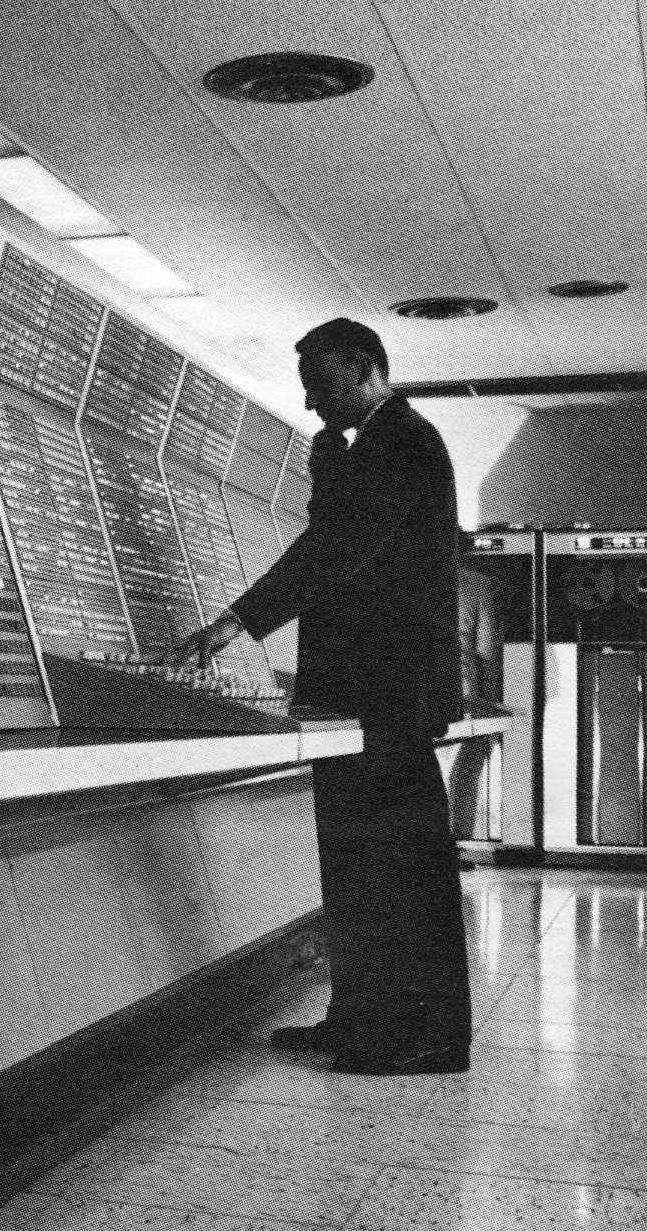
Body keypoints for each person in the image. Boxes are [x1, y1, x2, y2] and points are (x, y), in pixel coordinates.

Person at [170, 318, 472, 1074]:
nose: (309, 404)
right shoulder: (369, 446)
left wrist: (234, 622)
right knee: (355, 868)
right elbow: (338, 539)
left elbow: (336, 547)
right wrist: (330, 464)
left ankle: (425, 1037)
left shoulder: (405, 441)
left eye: (319, 384)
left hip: (390, 695)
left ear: (364, 367)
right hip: (358, 695)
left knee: (400, 871)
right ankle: (360, 1019)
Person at [451, 530, 504, 867]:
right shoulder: (477, 584)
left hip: (411, 686)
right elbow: (486, 649)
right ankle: (455, 843)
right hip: (462, 686)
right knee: (470, 760)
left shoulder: (404, 580)